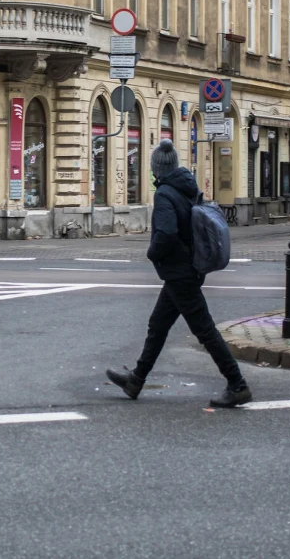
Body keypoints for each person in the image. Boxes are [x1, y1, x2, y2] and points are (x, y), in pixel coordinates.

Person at [106, 139, 252, 409]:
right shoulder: (187, 187)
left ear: (156, 169)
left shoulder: (164, 194)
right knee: (158, 325)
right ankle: (136, 380)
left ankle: (238, 384)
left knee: (204, 330)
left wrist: (152, 253)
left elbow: (167, 233)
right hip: (189, 269)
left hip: (179, 273)